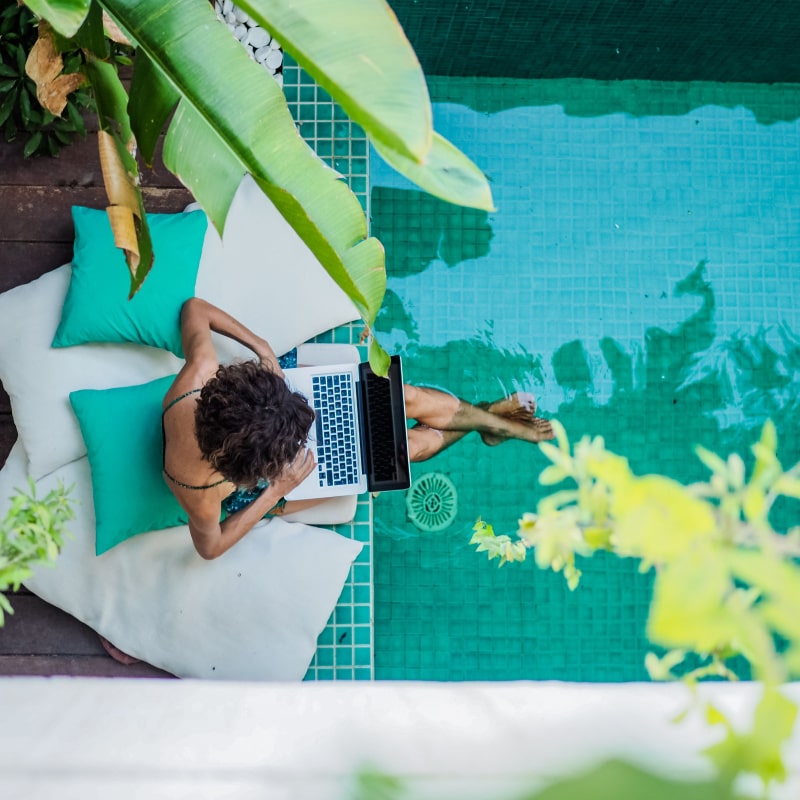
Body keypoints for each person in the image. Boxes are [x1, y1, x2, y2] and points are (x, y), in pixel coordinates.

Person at [162, 298, 555, 560]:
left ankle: (491, 423)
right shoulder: (198, 492)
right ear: (252, 471)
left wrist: (263, 349)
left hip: (263, 418)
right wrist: (277, 490)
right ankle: (493, 423)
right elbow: (210, 547)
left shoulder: (200, 377)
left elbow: (194, 309)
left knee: (405, 397)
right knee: (404, 448)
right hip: (273, 485)